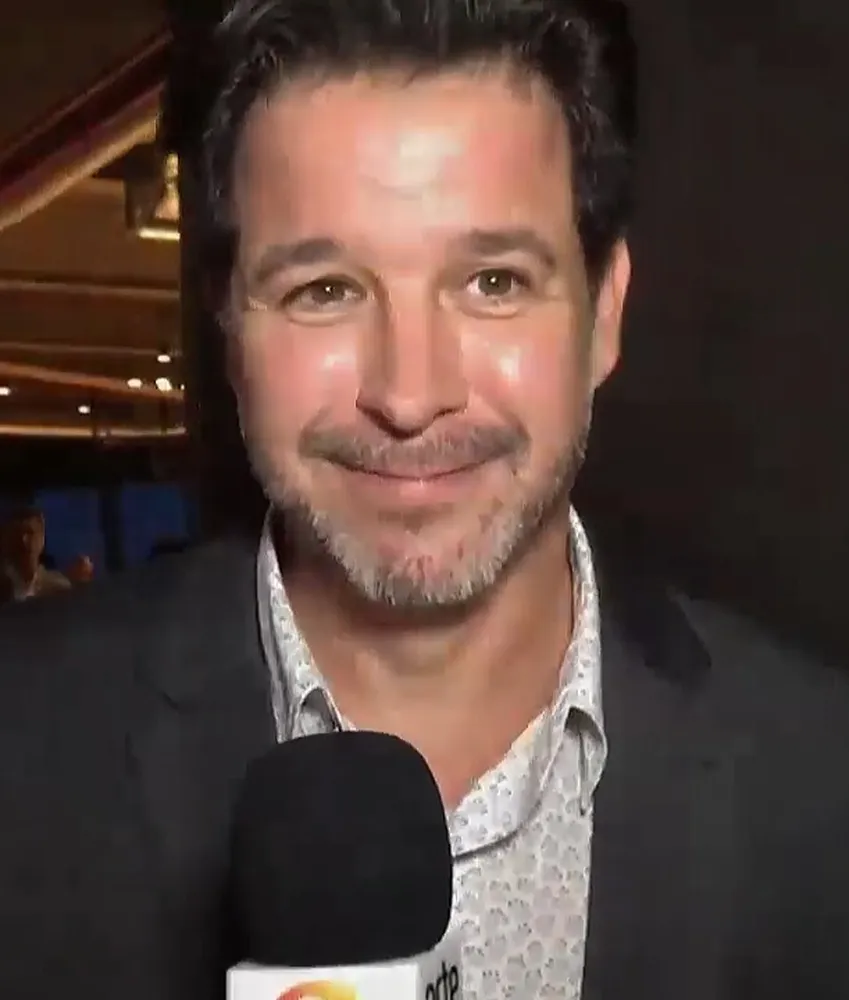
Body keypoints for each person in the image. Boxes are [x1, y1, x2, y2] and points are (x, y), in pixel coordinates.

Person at [1, 1, 848, 998]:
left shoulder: (819, 779)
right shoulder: (23, 751)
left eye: (492, 281)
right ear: (229, 329)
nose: (409, 396)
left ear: (604, 314)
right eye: (324, 289)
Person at [0, 507, 71, 603]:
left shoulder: (57, 588)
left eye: (30, 532)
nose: (23, 540)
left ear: (42, 539)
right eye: (17, 533)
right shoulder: (4, 586)